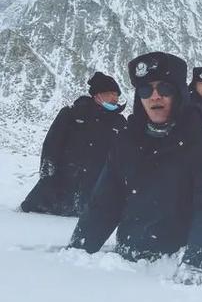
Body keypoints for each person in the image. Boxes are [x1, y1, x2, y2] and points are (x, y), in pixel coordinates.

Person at [68, 52, 202, 284]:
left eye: (164, 89)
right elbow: (104, 204)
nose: (155, 96)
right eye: (146, 90)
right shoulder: (126, 142)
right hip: (127, 266)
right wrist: (78, 249)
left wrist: (198, 264)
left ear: (179, 93)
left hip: (179, 269)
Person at [20, 72, 126, 216]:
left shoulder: (120, 123)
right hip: (52, 197)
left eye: (117, 94)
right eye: (110, 93)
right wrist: (47, 180)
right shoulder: (71, 114)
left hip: (90, 202)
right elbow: (51, 148)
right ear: (97, 95)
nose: (115, 98)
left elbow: (121, 160)